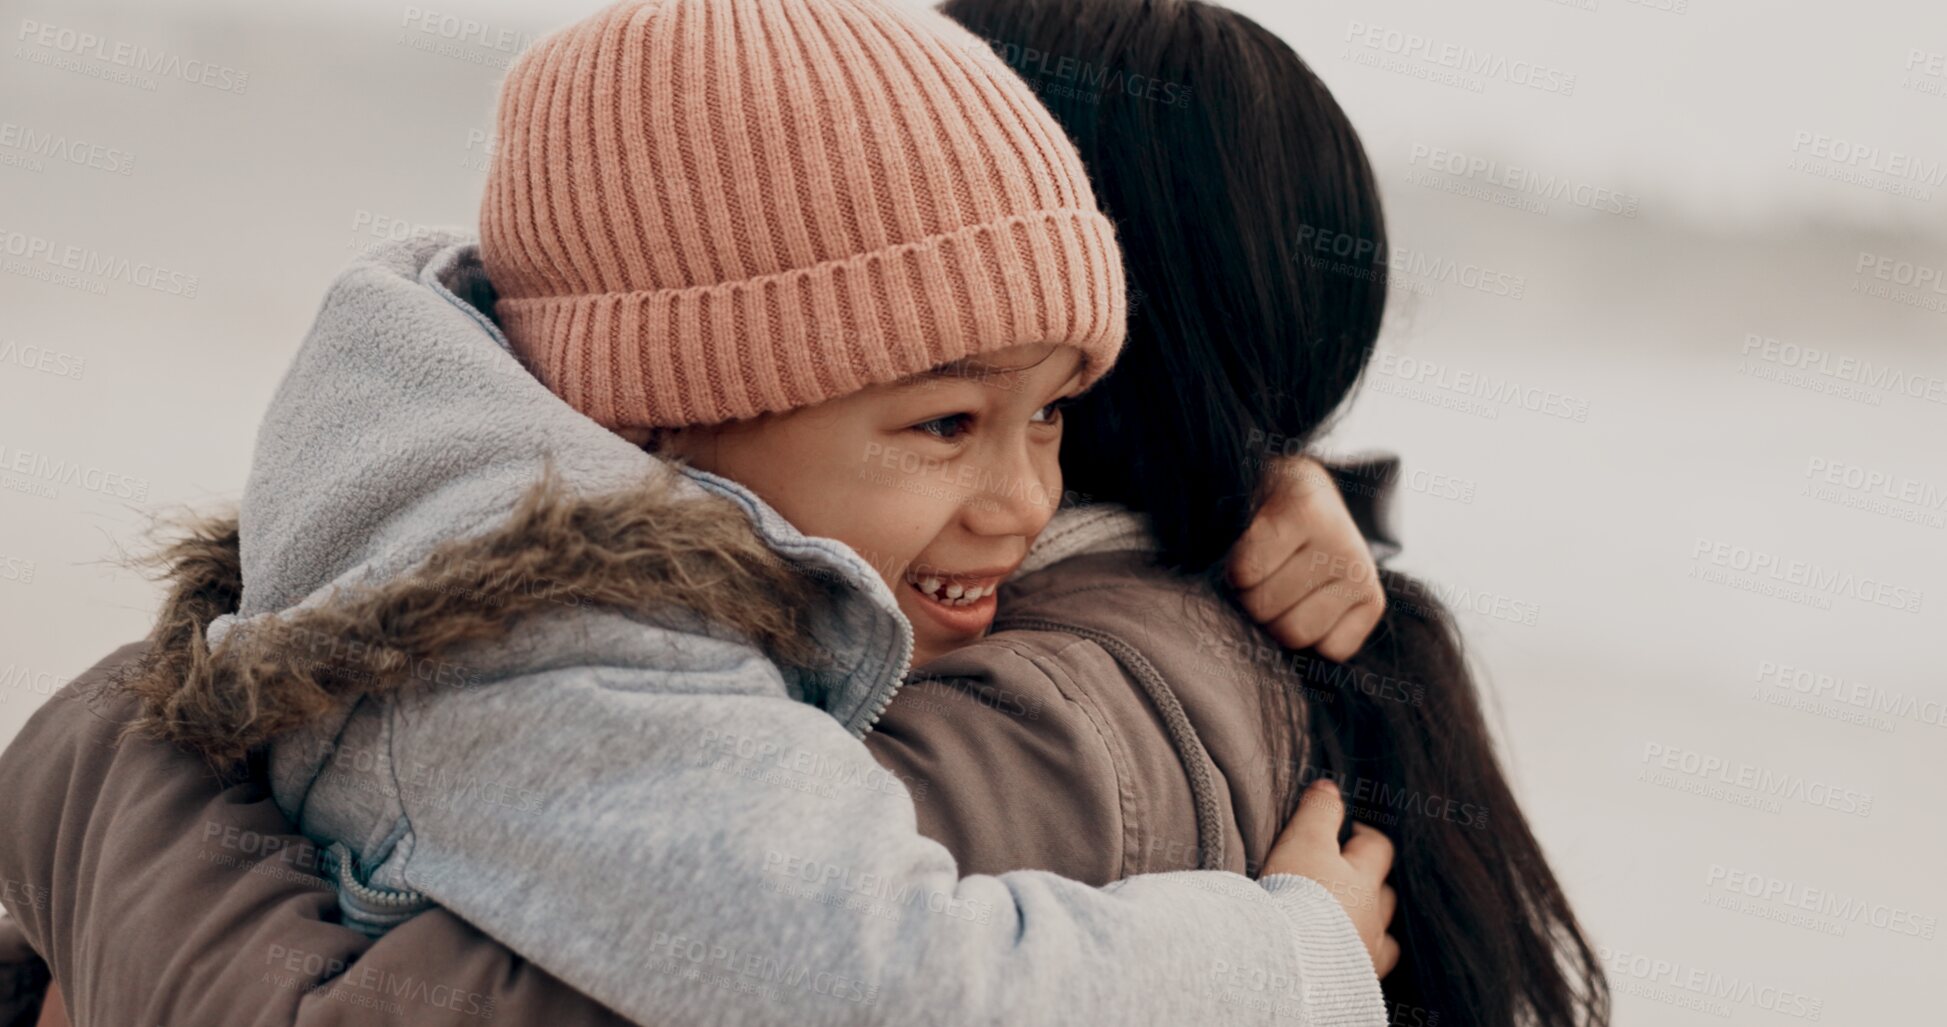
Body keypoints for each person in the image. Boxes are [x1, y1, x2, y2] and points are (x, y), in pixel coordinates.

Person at [0, 1, 1402, 1025]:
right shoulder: (577, 661)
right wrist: (1293, 960)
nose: (1029, 497)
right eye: (948, 424)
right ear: (669, 407)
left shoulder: (505, 519)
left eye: (1058, 412)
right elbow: (904, 986)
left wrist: (1263, 481)